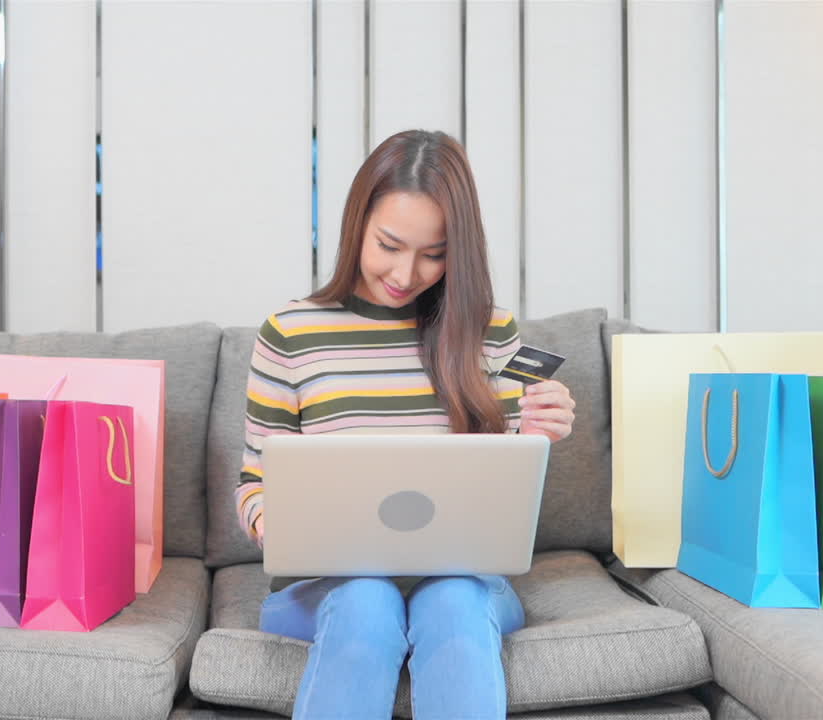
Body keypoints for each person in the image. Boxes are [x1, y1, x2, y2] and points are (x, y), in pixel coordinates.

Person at [234, 129, 576, 719]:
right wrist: (279, 526)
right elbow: (253, 485)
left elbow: (506, 487)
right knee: (367, 600)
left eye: (433, 254)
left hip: (463, 584)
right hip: (326, 589)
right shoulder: (291, 332)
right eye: (388, 244)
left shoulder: (490, 332)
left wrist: (538, 439)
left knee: (453, 600)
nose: (405, 272)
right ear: (356, 224)